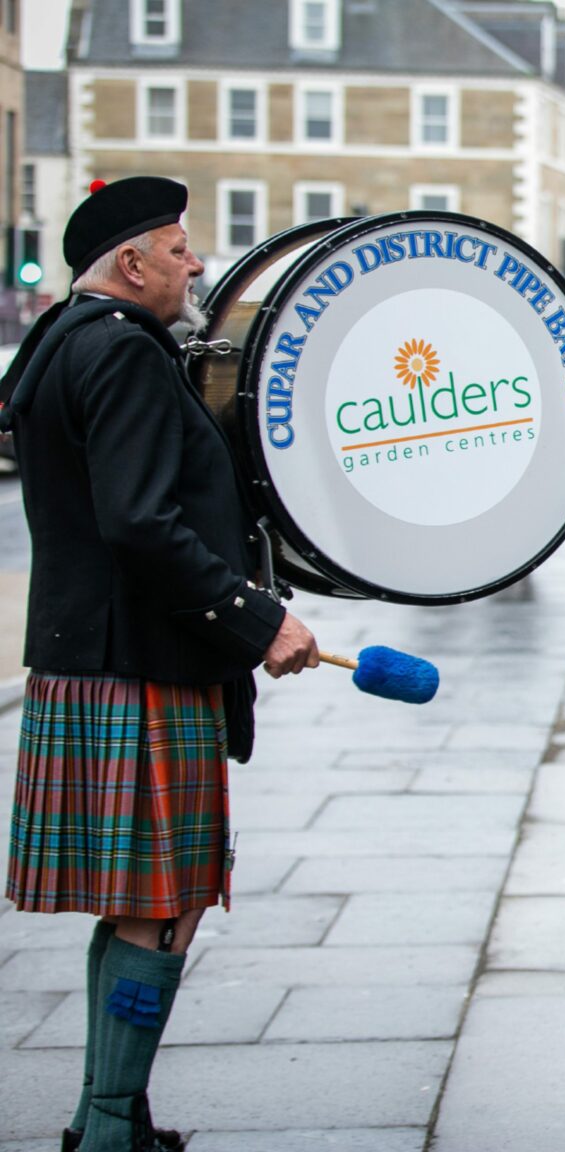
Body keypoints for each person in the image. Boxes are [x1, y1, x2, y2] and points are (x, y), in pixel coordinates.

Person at [2, 177, 320, 1152]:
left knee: (141, 901)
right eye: (177, 249)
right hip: (140, 664)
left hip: (88, 656)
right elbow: (141, 523)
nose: (193, 265)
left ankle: (114, 1115)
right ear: (129, 263)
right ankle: (105, 1129)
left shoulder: (60, 343)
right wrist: (256, 620)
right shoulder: (125, 357)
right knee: (163, 903)